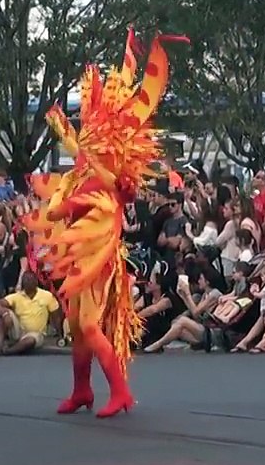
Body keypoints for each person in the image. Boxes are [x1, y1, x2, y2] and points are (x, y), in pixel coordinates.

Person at [22, 29, 187, 418]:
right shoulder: (88, 171)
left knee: (90, 327)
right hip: (84, 258)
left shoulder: (103, 182)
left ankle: (120, 390)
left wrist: (62, 200)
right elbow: (71, 182)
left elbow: (64, 210)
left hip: (98, 262)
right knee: (78, 327)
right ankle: (82, 389)